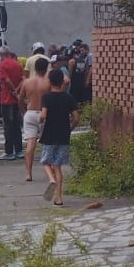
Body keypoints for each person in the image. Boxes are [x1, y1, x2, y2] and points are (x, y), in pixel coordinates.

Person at [38, 69, 79, 206]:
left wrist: (39, 121)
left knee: (45, 162)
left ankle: (51, 180)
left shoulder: (46, 97)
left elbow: (43, 115)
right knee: (58, 166)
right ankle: (59, 198)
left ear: (49, 81)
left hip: (49, 134)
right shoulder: (69, 98)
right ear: (62, 82)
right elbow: (76, 118)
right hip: (63, 135)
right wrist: (70, 128)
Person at [17, 56, 50, 182]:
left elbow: (20, 100)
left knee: (30, 144)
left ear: (34, 68)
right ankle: (50, 170)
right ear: (46, 69)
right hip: (44, 113)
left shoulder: (27, 82)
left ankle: (28, 174)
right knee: (47, 144)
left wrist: (23, 112)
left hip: (30, 113)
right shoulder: (48, 83)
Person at [0, 46, 24, 161]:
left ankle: (9, 151)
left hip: (7, 99)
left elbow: (6, 80)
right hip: (16, 99)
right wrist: (18, 91)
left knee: (8, 126)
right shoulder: (17, 64)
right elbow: (23, 79)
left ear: (1, 54)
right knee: (17, 125)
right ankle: (19, 150)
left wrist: (13, 91)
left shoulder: (3, 65)